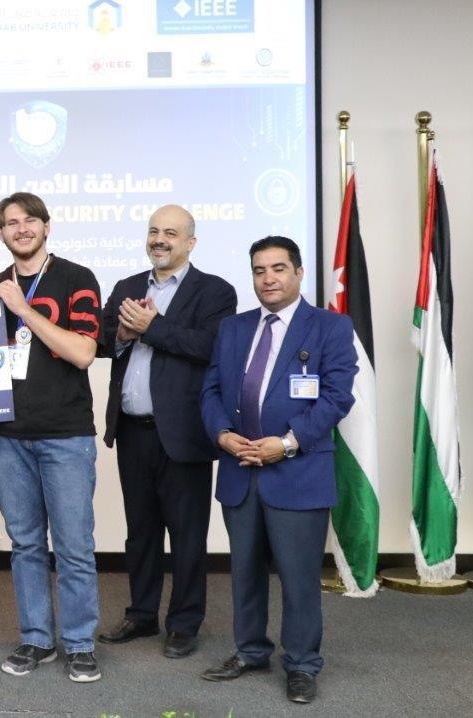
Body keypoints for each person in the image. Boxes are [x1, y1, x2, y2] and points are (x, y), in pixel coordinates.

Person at [199, 236, 356, 704]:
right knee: (244, 572)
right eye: (259, 270)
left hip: (298, 472)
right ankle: (250, 651)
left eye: (278, 268)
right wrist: (222, 435)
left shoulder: (330, 327)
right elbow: (210, 391)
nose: (268, 279)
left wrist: (285, 444)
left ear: (299, 272)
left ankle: (302, 664)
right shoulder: (233, 328)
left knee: (298, 577)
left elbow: (337, 398)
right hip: (239, 470)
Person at [95, 205, 237, 659]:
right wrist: (122, 334)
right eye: (154, 231)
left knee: (187, 535)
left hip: (183, 434)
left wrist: (152, 327)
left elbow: (211, 347)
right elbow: (100, 339)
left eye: (171, 233)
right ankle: (141, 615)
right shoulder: (127, 287)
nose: (160, 239)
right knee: (140, 532)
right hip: (132, 431)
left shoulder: (215, 291)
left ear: (190, 242)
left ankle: (184, 622)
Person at [0, 192, 104, 683]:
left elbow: (83, 353)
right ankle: (36, 638)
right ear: (1, 234)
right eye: (11, 223)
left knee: (73, 546)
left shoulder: (77, 278)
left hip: (65, 436)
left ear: (47, 226)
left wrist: (23, 309)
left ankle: (79, 644)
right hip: (7, 438)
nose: (21, 229)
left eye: (30, 220)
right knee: (26, 545)